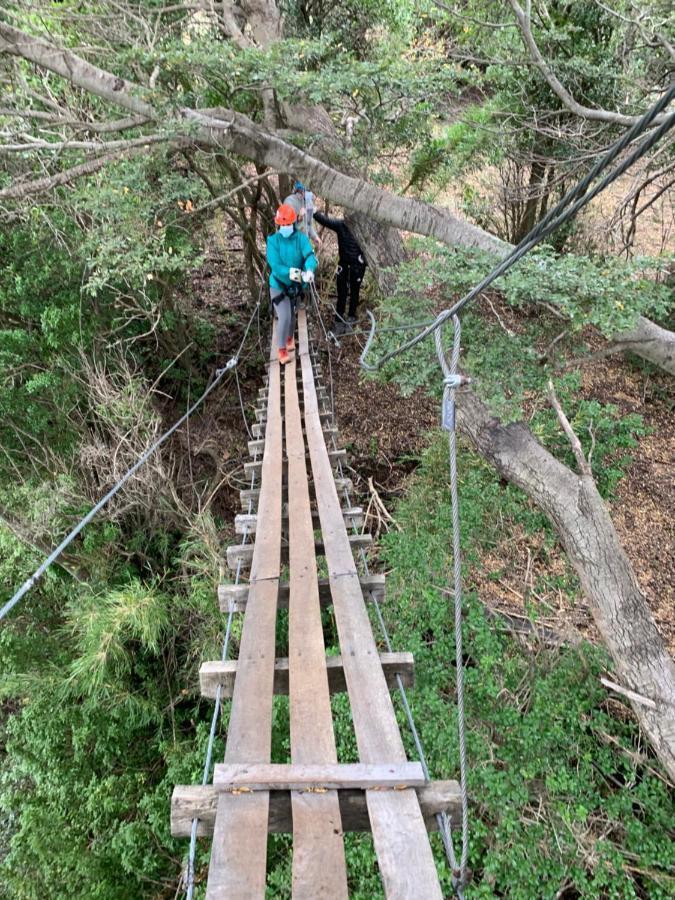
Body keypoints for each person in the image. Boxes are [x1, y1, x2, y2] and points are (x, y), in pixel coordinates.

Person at [266, 203, 317, 364]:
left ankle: (289, 338)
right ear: (278, 225)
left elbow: (309, 255)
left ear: (293, 224)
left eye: (288, 224)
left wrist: (309, 269)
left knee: (292, 313)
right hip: (278, 285)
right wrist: (298, 274)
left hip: (295, 287)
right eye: (282, 225)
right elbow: (276, 267)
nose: (285, 227)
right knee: (285, 315)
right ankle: (281, 350)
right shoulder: (273, 241)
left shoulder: (300, 239)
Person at [313, 208, 366, 334]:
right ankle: (339, 320)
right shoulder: (341, 225)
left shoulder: (363, 229)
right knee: (341, 293)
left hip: (357, 266)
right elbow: (324, 220)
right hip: (344, 265)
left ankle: (352, 317)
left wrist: (364, 260)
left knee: (355, 292)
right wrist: (313, 211)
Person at [283, 181, 322, 249]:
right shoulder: (289, 202)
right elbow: (285, 227)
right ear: (301, 190)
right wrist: (298, 218)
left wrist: (314, 237)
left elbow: (308, 224)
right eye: (309, 190)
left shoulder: (308, 203)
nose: (312, 193)